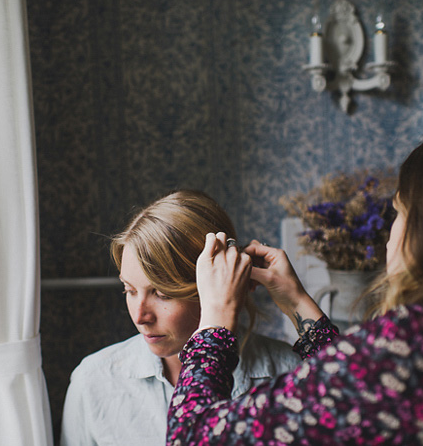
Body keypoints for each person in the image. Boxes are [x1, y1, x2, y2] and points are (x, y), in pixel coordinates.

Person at [167, 115, 423, 445]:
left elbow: (191, 438)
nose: (391, 234)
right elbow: (356, 398)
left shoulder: (419, 345)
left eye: (400, 213)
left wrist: (215, 318)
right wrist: (298, 303)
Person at [59, 190, 301, 446]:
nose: (140, 316)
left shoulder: (290, 375)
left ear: (222, 285)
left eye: (162, 294)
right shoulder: (93, 380)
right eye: (129, 290)